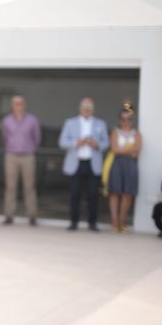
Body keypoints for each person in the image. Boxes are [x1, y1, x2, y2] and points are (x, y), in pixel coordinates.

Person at [58, 98, 109, 231]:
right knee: (75, 194)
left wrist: (96, 144)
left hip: (93, 164)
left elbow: (106, 144)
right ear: (80, 108)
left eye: (89, 108)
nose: (86, 110)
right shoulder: (70, 123)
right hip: (77, 163)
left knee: (93, 195)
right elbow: (62, 142)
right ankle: (73, 222)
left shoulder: (100, 123)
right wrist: (77, 143)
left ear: (93, 109)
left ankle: (92, 223)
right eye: (84, 107)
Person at [1, 95, 41, 225]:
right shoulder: (7, 120)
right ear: (12, 106)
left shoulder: (32, 120)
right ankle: (9, 215)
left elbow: (37, 138)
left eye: (20, 103)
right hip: (11, 155)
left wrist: (30, 148)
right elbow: (5, 137)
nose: (18, 106)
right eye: (16, 104)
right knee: (10, 186)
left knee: (29, 186)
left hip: (28, 156)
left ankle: (32, 215)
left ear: (24, 105)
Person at [107, 104, 141, 233]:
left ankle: (123, 221)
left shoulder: (137, 133)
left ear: (132, 120)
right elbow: (115, 149)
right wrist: (130, 150)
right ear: (120, 119)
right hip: (117, 164)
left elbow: (137, 151)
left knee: (128, 193)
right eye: (123, 119)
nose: (126, 121)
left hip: (131, 165)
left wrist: (124, 150)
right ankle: (114, 222)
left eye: (128, 119)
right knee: (114, 192)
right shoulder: (115, 132)